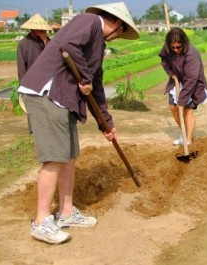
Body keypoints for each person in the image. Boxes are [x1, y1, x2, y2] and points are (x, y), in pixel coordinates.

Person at [18, 2, 139, 244]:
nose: (118, 38)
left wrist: (106, 123)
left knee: (69, 157)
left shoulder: (98, 45)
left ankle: (66, 212)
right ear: (116, 23)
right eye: (121, 33)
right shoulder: (89, 22)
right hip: (47, 94)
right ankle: (41, 222)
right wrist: (84, 77)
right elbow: (67, 45)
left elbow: (95, 88)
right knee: (55, 158)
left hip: (65, 101)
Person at [159, 27, 207, 145]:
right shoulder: (168, 48)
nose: (176, 50)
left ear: (184, 43)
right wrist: (171, 74)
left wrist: (182, 101)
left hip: (192, 84)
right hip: (177, 80)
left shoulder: (191, 53)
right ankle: (185, 134)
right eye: (173, 47)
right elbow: (164, 59)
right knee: (173, 108)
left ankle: (188, 140)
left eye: (178, 47)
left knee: (187, 110)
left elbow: (191, 79)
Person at [17, 13, 51, 82]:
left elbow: (51, 55)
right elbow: (21, 66)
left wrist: (45, 40)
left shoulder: (48, 41)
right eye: (40, 29)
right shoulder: (24, 43)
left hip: (46, 77)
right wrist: (23, 83)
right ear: (33, 30)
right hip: (31, 79)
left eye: (44, 30)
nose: (42, 31)